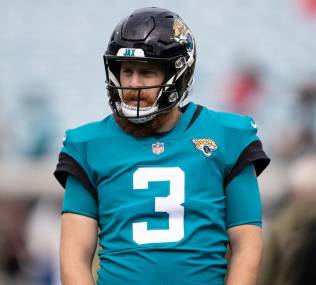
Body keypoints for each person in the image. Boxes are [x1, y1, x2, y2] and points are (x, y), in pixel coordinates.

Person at [54, 7, 270, 285]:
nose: (132, 84)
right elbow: (73, 259)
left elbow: (247, 245)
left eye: (146, 72)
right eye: (126, 71)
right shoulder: (87, 145)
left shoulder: (228, 137)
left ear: (178, 74)